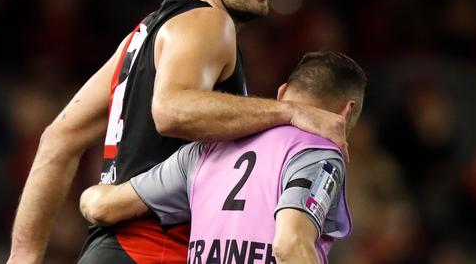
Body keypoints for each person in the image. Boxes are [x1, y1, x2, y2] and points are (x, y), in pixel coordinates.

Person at [8, 0, 352, 264]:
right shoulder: (210, 22)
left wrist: (21, 258)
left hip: (107, 252)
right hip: (156, 251)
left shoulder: (141, 37)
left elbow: (58, 139)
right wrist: (291, 112)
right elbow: (172, 111)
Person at [80, 51, 366, 264]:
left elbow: (103, 209)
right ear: (346, 111)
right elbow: (291, 243)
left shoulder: (205, 150)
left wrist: (87, 197)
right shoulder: (319, 155)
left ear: (281, 94)